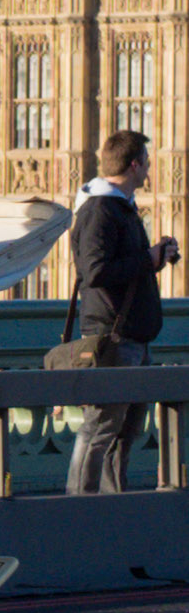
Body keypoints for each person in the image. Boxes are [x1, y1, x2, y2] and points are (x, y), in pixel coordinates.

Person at [64, 128, 178, 495]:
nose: (148, 171)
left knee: (124, 435)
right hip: (111, 339)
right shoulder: (99, 209)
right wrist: (146, 258)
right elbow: (94, 271)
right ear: (133, 165)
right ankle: (78, 508)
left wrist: (156, 258)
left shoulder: (120, 208)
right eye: (146, 163)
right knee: (99, 430)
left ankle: (113, 508)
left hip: (134, 338)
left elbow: (123, 267)